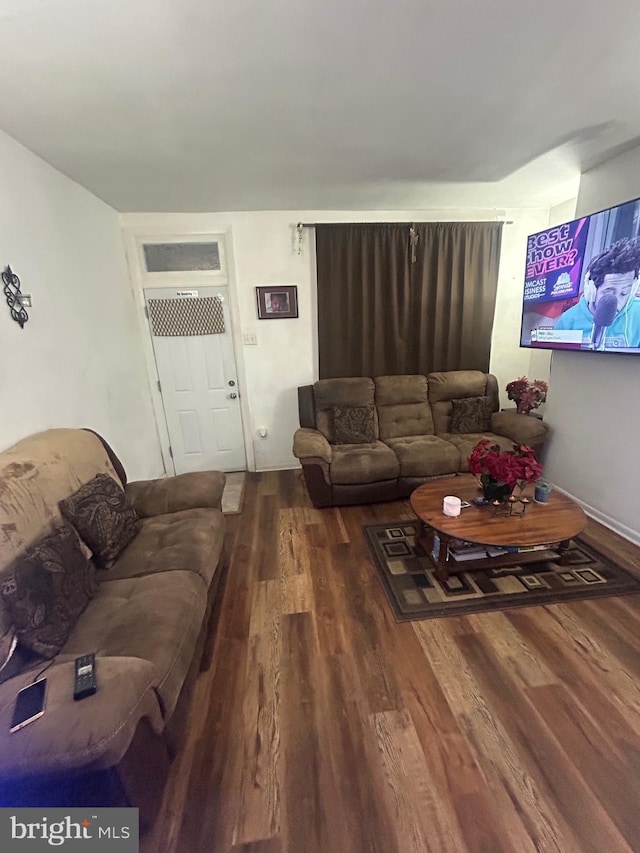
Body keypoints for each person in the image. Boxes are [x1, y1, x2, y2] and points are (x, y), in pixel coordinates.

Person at [555, 235, 640, 349]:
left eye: (624, 293)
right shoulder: (568, 321)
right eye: (609, 293)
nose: (617, 303)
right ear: (592, 290)